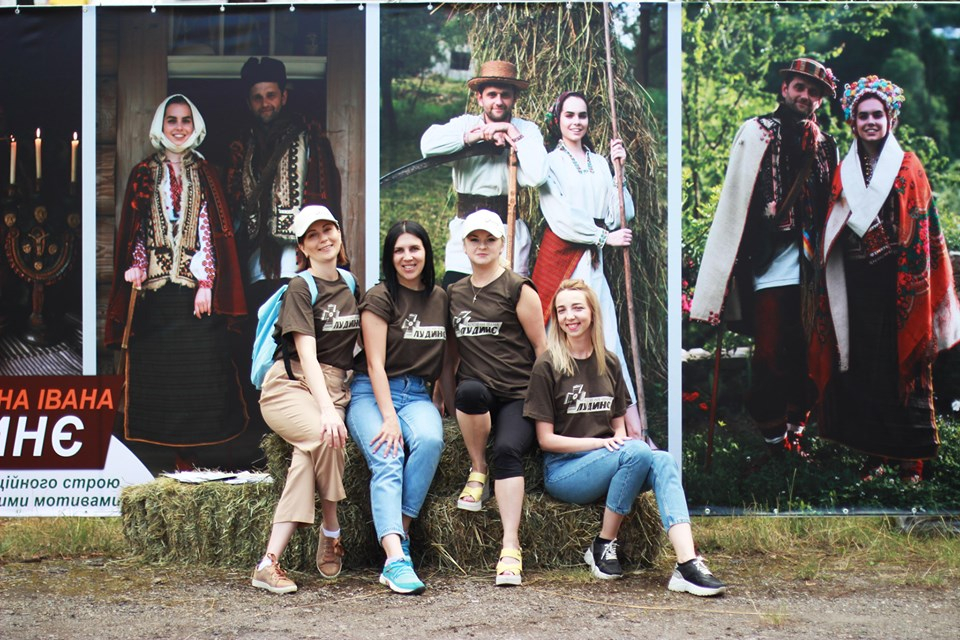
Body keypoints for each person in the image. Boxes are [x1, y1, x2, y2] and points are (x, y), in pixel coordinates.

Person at [525, 279, 726, 596]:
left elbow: (619, 428)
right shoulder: (547, 365)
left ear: (593, 312)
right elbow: (546, 440)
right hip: (566, 470)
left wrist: (615, 444)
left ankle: (687, 563)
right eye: (561, 310)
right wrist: (602, 444)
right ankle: (603, 544)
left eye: (577, 308)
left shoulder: (609, 362)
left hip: (611, 462)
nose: (569, 316)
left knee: (663, 460)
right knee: (638, 452)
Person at [810, 76, 960, 483]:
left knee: (904, 365)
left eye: (877, 114)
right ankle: (874, 454)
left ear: (890, 119)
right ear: (853, 122)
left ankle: (911, 458)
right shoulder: (844, 171)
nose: (871, 122)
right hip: (858, 283)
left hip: (900, 281)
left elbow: (923, 223)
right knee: (864, 367)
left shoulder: (909, 165)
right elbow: (833, 220)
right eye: (863, 116)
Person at [689, 58, 838, 453]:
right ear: (784, 88)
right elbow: (736, 200)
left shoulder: (826, 145)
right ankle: (773, 437)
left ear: (820, 100)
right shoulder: (756, 132)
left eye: (814, 92)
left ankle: (795, 429)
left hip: (811, 268)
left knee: (806, 352)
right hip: (768, 262)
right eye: (799, 87)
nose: (805, 95)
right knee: (769, 353)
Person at [105, 94, 247, 465]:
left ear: (195, 125)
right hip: (153, 294)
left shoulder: (206, 172)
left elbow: (211, 231)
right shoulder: (143, 172)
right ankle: (157, 459)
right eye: (172, 120)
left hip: (194, 293)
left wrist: (207, 284)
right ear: (161, 125)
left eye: (186, 120)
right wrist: (136, 265)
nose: (179, 127)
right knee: (158, 375)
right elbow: (137, 228)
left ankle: (200, 458)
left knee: (200, 373)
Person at [227, 56, 344, 464]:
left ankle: (300, 428)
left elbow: (324, 195)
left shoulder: (308, 136)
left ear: (284, 96)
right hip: (257, 265)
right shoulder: (242, 144)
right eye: (258, 97)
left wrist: (317, 254)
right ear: (249, 101)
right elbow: (234, 203)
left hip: (298, 263)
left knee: (299, 348)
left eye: (271, 95)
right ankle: (264, 434)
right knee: (261, 346)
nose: (265, 103)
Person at [251, 206, 359, 594]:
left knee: (305, 457)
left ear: (339, 233)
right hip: (291, 385)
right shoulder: (301, 286)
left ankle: (268, 563)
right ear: (302, 246)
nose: (323, 238)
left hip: (334, 387)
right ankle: (331, 529)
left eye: (328, 229)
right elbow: (308, 354)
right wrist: (327, 410)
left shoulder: (350, 283)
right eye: (312, 235)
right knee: (323, 437)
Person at [440, 209, 546, 586]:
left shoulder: (519, 288)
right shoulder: (454, 294)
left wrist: (545, 408)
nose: (482, 246)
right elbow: (450, 356)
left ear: (502, 244)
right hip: (479, 394)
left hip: (518, 395)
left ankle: (510, 546)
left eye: (489, 239)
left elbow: (542, 350)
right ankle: (477, 469)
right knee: (468, 392)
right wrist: (445, 398)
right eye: (474, 239)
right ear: (464, 245)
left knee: (507, 450)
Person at [533, 90, 643, 439]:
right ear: (558, 120)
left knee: (606, 339)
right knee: (561, 338)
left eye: (582, 115)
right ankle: (565, 424)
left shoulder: (599, 162)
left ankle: (631, 428)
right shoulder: (551, 162)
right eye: (569, 115)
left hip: (593, 264)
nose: (576, 122)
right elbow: (561, 218)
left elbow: (620, 214)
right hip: (563, 260)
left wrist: (618, 172)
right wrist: (603, 238)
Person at [345, 220, 447, 595]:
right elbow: (374, 364)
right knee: (388, 455)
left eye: (414, 248)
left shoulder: (440, 297)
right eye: (399, 250)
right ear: (390, 257)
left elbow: (447, 356)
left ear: (426, 252)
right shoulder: (380, 296)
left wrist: (441, 398)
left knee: (431, 441)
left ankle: (399, 535)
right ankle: (394, 560)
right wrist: (388, 417)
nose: (407, 257)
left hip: (416, 393)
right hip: (372, 393)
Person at [420, 60, 549, 286]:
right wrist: (476, 137)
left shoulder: (526, 130)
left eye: (505, 95)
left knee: (507, 299)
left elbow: (538, 176)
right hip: (467, 231)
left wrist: (510, 131)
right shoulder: (466, 124)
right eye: (492, 95)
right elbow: (427, 146)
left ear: (514, 98)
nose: (498, 101)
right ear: (480, 98)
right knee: (460, 297)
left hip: (507, 233)